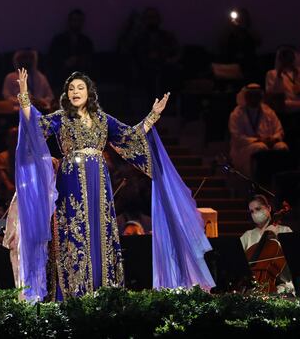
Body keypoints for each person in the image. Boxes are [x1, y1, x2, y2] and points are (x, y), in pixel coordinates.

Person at [16, 68, 213, 301]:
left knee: (101, 229)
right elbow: (35, 126)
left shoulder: (102, 118)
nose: (75, 92)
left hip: (99, 178)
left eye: (80, 88)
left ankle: (104, 291)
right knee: (73, 229)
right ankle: (74, 293)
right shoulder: (61, 117)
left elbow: (130, 137)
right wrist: (24, 96)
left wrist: (153, 115)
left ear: (90, 92)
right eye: (71, 89)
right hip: (70, 179)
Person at [228, 83, 288, 179]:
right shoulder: (237, 114)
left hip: (269, 144)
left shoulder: (268, 112)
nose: (254, 98)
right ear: (246, 96)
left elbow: (279, 130)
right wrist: (257, 140)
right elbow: (237, 137)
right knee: (260, 147)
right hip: (245, 148)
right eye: (251, 95)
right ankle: (259, 179)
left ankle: (280, 179)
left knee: (282, 147)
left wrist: (273, 139)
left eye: (257, 95)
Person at [239, 195, 294, 294]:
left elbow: (294, 260)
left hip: (283, 285)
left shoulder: (285, 230)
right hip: (253, 287)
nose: (255, 213)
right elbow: (238, 261)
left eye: (258, 209)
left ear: (269, 208)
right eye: (251, 211)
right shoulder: (247, 236)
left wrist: (275, 237)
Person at [265, 46, 300, 113]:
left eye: (289, 57)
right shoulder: (272, 73)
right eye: (284, 57)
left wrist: (299, 76)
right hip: (287, 106)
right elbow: (273, 93)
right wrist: (279, 76)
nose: (287, 60)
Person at [48, 9, 94, 84]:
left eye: (79, 21)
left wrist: (79, 60)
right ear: (69, 21)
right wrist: (65, 63)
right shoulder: (59, 40)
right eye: (74, 20)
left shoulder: (86, 41)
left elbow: (90, 61)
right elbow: (52, 60)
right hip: (62, 77)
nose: (76, 23)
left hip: (81, 77)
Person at [0, 127, 17, 205]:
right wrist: (9, 185)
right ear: (7, 140)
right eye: (12, 137)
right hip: (4, 191)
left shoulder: (27, 158)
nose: (15, 140)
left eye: (17, 137)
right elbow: (0, 173)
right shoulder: (0, 157)